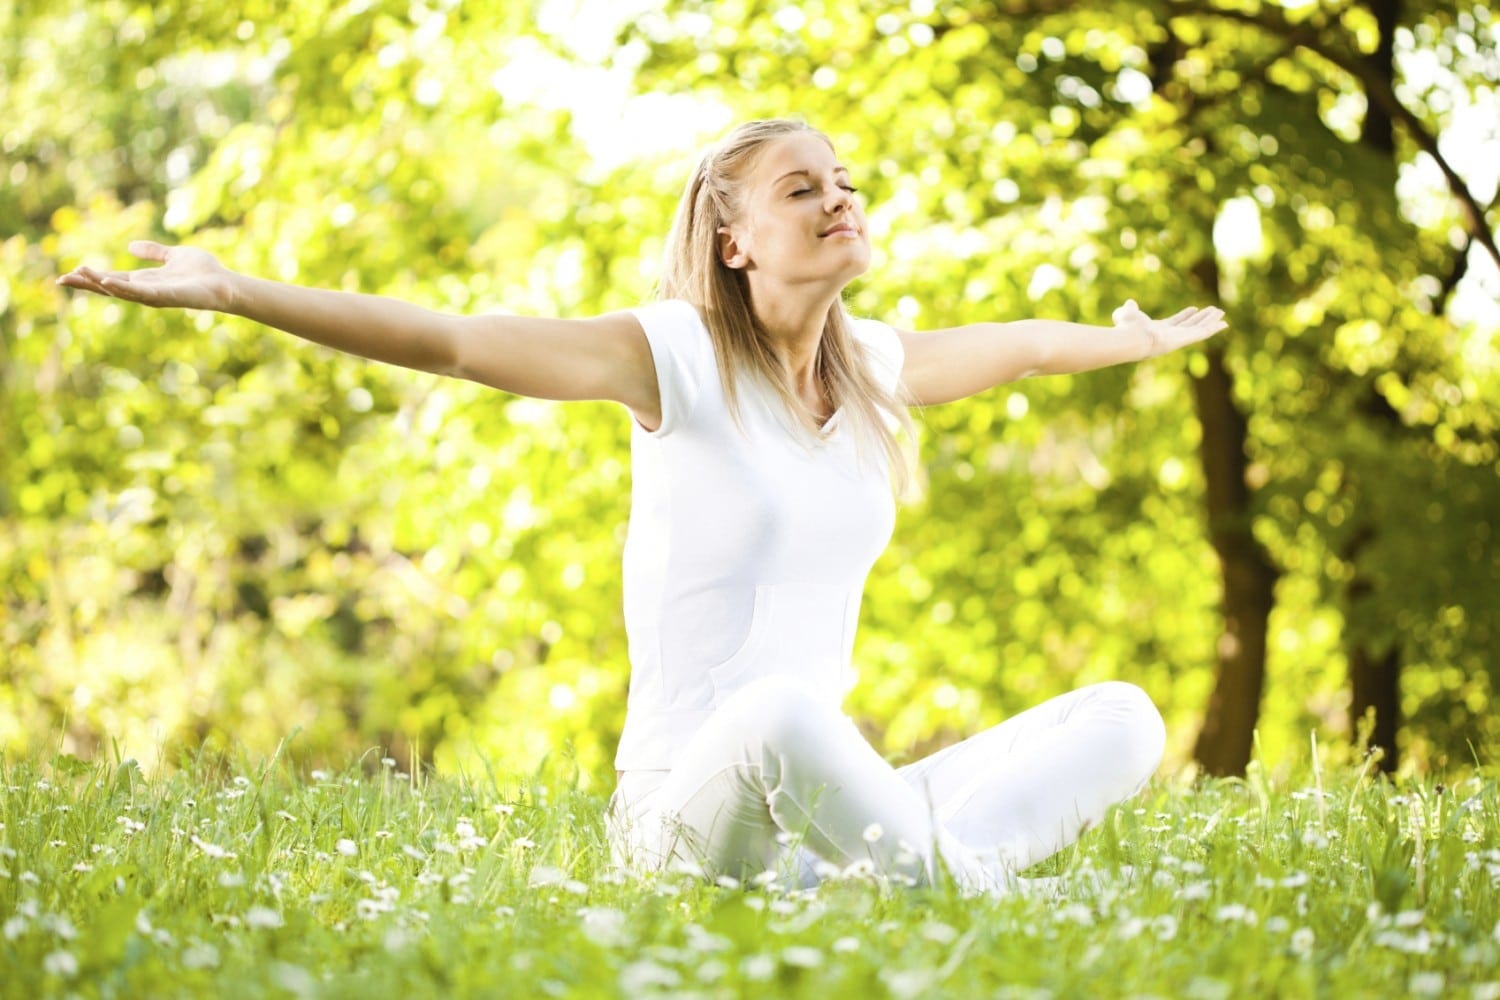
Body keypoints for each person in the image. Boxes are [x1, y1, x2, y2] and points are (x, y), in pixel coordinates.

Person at [58, 118, 1225, 895]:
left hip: (829, 817)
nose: (840, 200)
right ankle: (956, 893)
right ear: (734, 241)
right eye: (801, 188)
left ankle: (902, 878)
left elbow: (1018, 350)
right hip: (690, 818)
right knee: (778, 713)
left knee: (1120, 714)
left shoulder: (870, 365)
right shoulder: (673, 355)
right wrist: (235, 290)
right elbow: (458, 342)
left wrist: (1126, 341)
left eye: (846, 183)